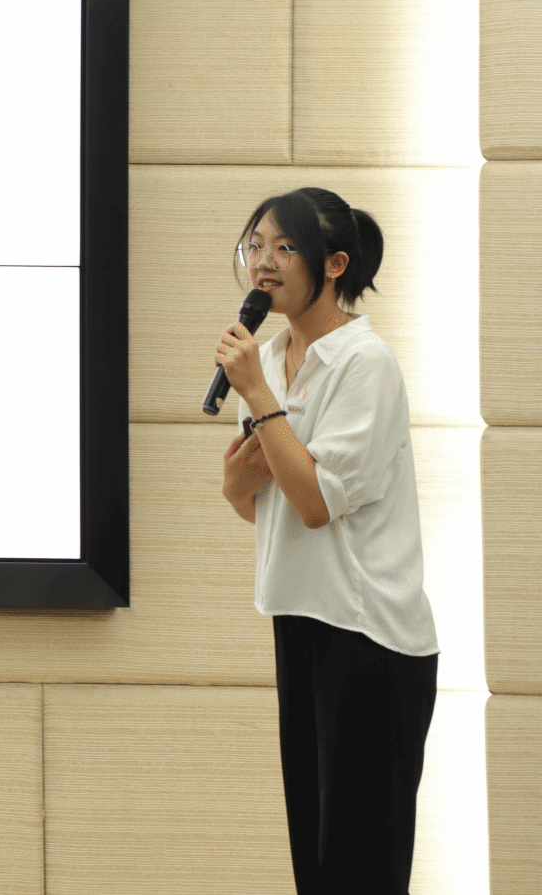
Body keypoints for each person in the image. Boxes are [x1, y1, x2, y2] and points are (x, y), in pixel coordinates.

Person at [216, 186, 437, 895]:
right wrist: (236, 481)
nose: (264, 262)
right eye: (256, 245)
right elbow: (260, 506)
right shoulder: (269, 356)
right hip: (299, 617)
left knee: (359, 869)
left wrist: (259, 398)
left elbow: (314, 505)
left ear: (335, 263)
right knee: (316, 867)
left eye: (285, 247)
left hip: (368, 635)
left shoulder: (363, 363)